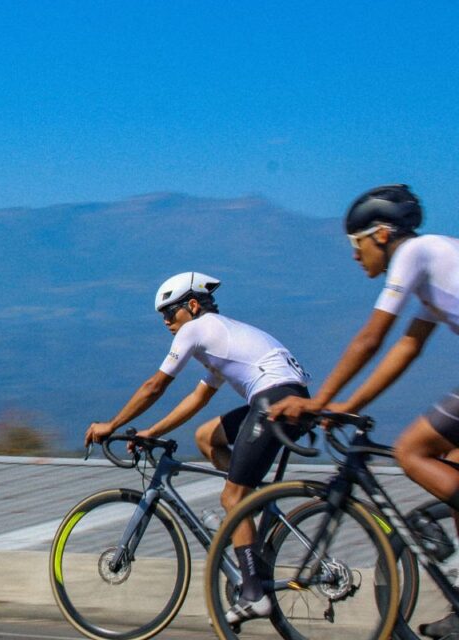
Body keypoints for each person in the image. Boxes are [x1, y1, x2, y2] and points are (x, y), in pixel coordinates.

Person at [269, 184, 459, 638]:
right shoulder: (437, 260)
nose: (355, 256)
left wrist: (317, 402)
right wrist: (347, 404)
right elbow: (407, 347)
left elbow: (371, 339)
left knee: (413, 450)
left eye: (354, 244)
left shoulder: (413, 254)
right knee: (451, 464)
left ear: (379, 234)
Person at [85, 271, 310, 624]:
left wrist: (111, 425)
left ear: (192, 306)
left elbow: (154, 386)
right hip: (287, 398)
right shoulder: (221, 336)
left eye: (170, 313)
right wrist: (151, 431)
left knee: (233, 498)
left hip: (274, 402)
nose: (165, 322)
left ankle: (253, 593)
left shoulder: (197, 330)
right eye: (161, 316)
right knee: (206, 437)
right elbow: (198, 398)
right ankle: (242, 515)